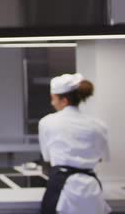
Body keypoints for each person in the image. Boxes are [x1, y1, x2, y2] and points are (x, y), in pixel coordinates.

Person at [39, 73, 111, 214]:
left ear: (64, 100)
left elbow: (47, 157)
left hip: (62, 190)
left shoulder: (47, 122)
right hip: (92, 191)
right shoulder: (99, 125)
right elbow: (103, 157)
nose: (52, 103)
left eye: (53, 99)